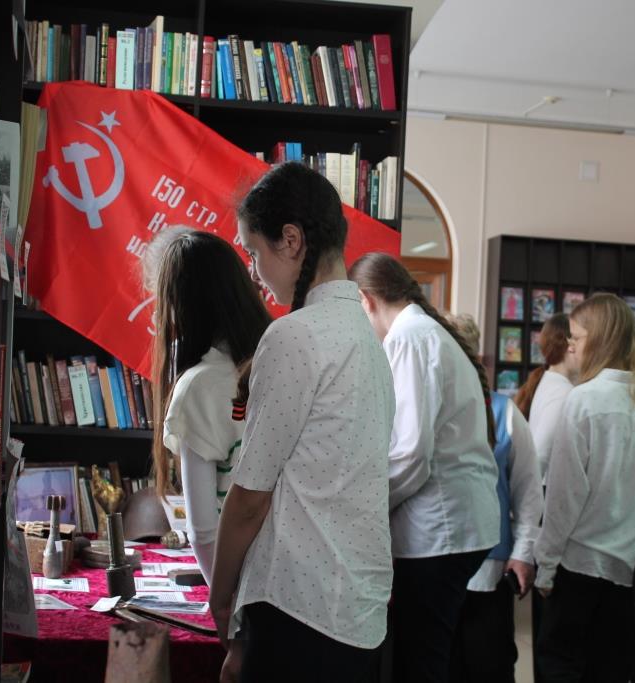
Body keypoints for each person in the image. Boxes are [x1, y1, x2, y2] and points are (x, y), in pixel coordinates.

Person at [209, 162, 396, 683]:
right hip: (357, 607)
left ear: (290, 240)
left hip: (301, 605)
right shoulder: (368, 340)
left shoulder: (296, 336)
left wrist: (220, 600)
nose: (253, 270)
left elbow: (250, 498)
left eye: (254, 252)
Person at [349, 252, 500, 683]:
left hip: (440, 529)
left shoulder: (409, 337)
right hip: (453, 525)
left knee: (421, 662)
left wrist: (362, 510)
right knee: (429, 655)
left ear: (366, 300)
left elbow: (411, 454)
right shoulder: (422, 331)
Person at [533, 293, 635, 682]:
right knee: (613, 669)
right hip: (634, 567)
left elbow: (564, 497)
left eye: (577, 337)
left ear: (600, 340)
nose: (570, 346)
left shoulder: (584, 400)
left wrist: (545, 566)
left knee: (561, 665)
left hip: (582, 564)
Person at [147, 228, 272, 585]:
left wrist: (222, 602)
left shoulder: (198, 387)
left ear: (180, 306)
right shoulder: (279, 361)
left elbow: (203, 531)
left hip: (246, 582)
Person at [446, 312, 543, 683]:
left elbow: (528, 491)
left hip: (488, 567)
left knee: (488, 664)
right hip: (432, 561)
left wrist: (523, 552)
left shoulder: (505, 413)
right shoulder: (424, 407)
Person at [514, 313, 574, 481]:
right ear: (567, 344)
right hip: (546, 488)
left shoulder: (547, 380)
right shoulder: (563, 392)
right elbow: (540, 454)